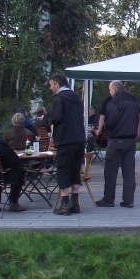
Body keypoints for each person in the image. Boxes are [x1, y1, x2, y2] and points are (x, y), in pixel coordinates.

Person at [96, 80, 140, 208]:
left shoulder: (114, 102)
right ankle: (128, 200)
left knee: (111, 170)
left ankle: (108, 199)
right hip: (131, 140)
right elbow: (138, 116)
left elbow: (109, 122)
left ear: (115, 89)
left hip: (117, 140)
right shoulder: (133, 101)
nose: (109, 92)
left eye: (110, 90)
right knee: (129, 171)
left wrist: (107, 128)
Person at [48, 73, 86, 215]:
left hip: (65, 139)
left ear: (57, 84)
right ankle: (75, 203)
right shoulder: (76, 98)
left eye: (51, 85)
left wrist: (46, 119)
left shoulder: (59, 98)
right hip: (79, 138)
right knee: (75, 170)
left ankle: (65, 204)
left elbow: (57, 117)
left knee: (63, 170)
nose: (50, 88)